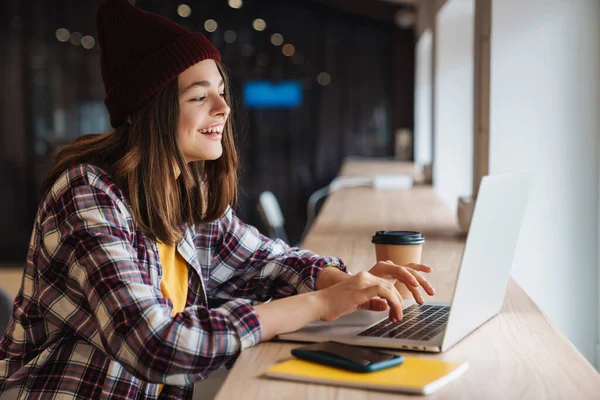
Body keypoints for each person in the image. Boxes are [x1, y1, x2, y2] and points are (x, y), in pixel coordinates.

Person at [0, 1, 435, 399]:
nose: (224, 109)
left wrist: (342, 283)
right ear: (149, 110)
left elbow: (262, 260)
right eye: (199, 96)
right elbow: (155, 344)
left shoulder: (184, 190)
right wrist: (317, 305)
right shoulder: (86, 195)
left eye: (222, 91)